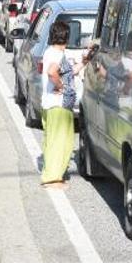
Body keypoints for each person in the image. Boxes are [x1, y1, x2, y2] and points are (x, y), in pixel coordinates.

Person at [41, 21, 89, 188]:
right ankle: (52, 179)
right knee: (59, 143)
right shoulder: (57, 55)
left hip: (51, 105)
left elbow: (70, 71)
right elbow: (52, 72)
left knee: (52, 141)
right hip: (59, 105)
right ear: (67, 37)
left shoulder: (51, 52)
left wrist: (85, 62)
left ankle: (52, 175)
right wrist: (60, 86)